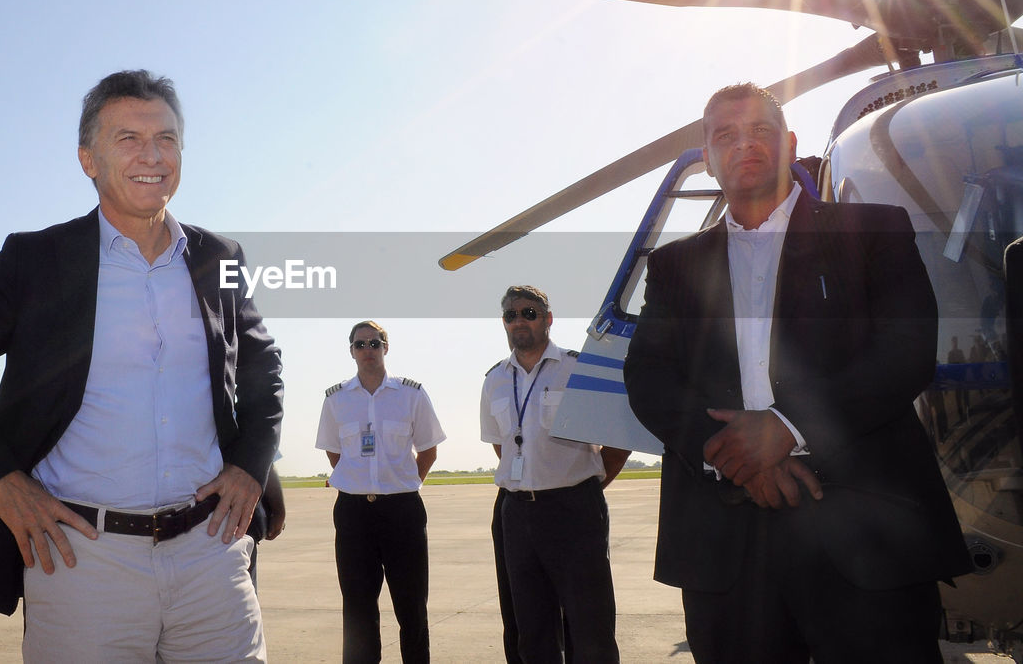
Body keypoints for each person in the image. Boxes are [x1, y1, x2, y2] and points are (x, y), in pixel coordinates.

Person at [0, 70, 283, 662]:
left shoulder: (220, 258)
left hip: (212, 554)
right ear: (88, 159)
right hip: (82, 559)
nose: (151, 155)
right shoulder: (35, 260)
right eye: (128, 139)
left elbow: (264, 370)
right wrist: (0, 481)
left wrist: (249, 467)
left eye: (166, 139)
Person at [623, 82, 972, 663]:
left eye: (761, 130)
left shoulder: (876, 230)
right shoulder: (672, 267)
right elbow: (650, 378)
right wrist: (733, 456)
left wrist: (787, 427)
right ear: (707, 159)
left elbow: (906, 349)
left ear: (789, 144)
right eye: (725, 136)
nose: (744, 145)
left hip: (867, 531)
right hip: (725, 545)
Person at [480, 285, 628, 664]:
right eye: (511, 315)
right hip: (517, 513)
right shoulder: (495, 379)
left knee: (589, 625)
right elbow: (503, 447)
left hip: (573, 510)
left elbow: (617, 440)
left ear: (547, 319)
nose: (519, 321)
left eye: (529, 313)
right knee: (531, 629)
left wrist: (582, 485)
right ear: (503, 323)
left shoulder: (577, 368)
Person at [315, 320, 446, 663]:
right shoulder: (336, 400)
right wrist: (361, 482)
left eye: (374, 343)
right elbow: (334, 453)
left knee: (412, 607)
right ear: (351, 352)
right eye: (360, 345)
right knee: (358, 610)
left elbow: (429, 450)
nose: (367, 350)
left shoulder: (411, 395)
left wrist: (401, 484)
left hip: (402, 512)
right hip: (353, 514)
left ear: (386, 347)